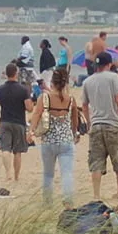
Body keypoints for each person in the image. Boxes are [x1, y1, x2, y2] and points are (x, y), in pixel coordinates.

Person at [80, 54, 118, 201]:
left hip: (96, 124)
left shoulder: (87, 81)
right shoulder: (113, 77)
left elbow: (84, 105)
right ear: (109, 64)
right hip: (112, 123)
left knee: (96, 160)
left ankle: (96, 194)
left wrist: (89, 122)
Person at [31, 64, 79, 205]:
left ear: (52, 82)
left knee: (48, 174)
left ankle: (47, 202)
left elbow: (36, 114)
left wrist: (31, 131)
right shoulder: (70, 99)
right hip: (66, 141)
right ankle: (68, 201)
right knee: (67, 174)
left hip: (48, 141)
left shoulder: (45, 98)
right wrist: (74, 133)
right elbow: (74, 120)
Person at [0, 62, 31, 183]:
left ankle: (8, 173)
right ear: (16, 73)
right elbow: (29, 107)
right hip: (19, 122)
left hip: (5, 121)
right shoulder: (23, 89)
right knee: (17, 151)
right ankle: (16, 176)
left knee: (5, 149)